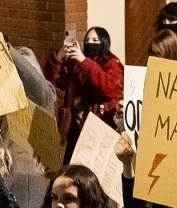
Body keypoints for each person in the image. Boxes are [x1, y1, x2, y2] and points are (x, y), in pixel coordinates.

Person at [45, 27, 125, 157]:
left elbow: (108, 88)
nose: (90, 43)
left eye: (95, 40)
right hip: (76, 126)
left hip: (99, 127)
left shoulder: (112, 64)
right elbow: (55, 78)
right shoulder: (78, 63)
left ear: (104, 42)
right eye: (87, 40)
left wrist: (85, 62)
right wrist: (60, 56)